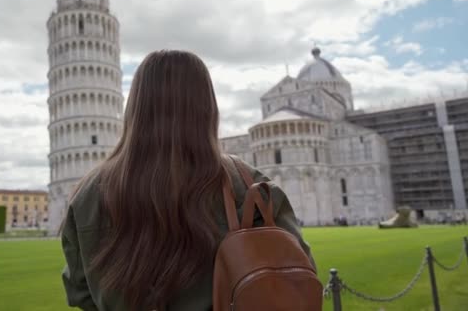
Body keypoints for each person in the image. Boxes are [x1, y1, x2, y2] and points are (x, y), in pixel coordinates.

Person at [61, 50, 315, 311]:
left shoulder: (88, 195)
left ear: (135, 107)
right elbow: (299, 270)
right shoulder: (248, 185)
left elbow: (79, 293)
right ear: (207, 106)